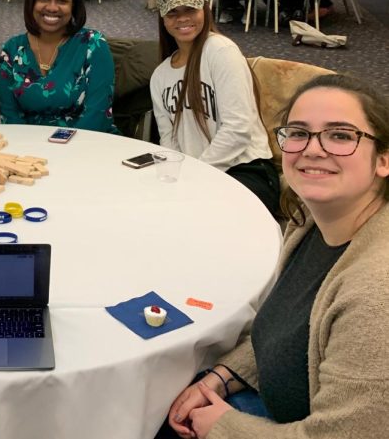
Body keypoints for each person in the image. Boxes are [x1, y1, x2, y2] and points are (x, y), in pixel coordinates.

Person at [161, 74, 389, 439]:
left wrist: (223, 426)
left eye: (341, 135)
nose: (313, 149)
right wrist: (224, 375)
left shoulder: (376, 294)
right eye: (298, 132)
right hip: (270, 401)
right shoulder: (309, 222)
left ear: (383, 160)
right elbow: (281, 333)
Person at [150, 0, 279, 216]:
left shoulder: (220, 51)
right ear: (163, 19)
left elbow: (238, 129)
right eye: (172, 12)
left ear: (205, 8)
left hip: (245, 169)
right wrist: (176, 178)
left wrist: (197, 175)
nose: (183, 18)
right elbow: (168, 140)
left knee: (206, 219)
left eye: (190, 8)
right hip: (193, 174)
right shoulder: (160, 75)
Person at [0, 0, 119, 133]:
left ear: (74, 5)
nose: (52, 8)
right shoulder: (12, 50)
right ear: (31, 2)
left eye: (62, 1)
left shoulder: (93, 45)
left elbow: (97, 115)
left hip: (87, 143)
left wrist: (57, 151)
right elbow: (9, 115)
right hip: (28, 147)